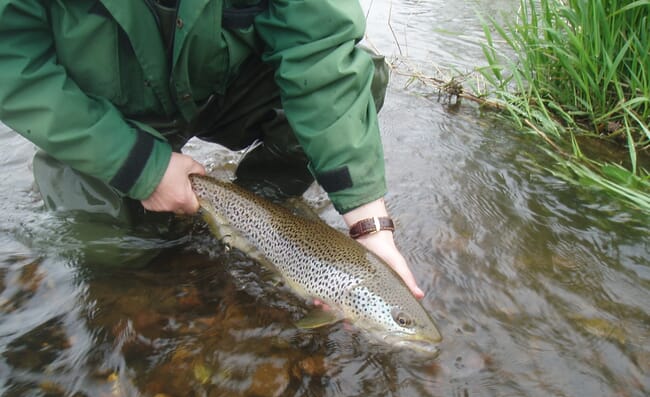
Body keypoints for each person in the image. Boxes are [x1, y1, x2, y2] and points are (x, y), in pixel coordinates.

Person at [0, 0, 424, 298]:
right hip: (107, 116)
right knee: (110, 253)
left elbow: (321, 54)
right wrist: (138, 166)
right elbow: (12, 64)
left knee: (362, 78)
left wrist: (369, 223)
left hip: (222, 87)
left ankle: (263, 211)